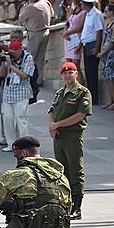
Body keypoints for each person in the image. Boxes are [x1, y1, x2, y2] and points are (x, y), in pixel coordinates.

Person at [48, 62, 92, 220]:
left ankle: (77, 207)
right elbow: (52, 110)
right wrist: (51, 126)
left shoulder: (82, 92)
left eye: (70, 73)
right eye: (64, 73)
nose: (67, 76)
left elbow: (80, 115)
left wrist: (57, 124)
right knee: (62, 171)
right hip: (59, 136)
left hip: (72, 135)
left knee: (75, 170)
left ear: (76, 74)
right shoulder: (60, 92)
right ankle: (66, 204)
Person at [0, 40, 35, 151]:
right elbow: (2, 74)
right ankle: (11, 144)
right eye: (11, 50)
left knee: (21, 119)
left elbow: (24, 75)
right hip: (8, 92)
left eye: (14, 50)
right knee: (7, 118)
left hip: (22, 93)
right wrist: (4, 63)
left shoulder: (27, 58)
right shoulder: (9, 58)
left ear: (20, 49)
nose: (12, 52)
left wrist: (11, 66)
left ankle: (24, 144)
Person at [18, 0, 52, 86]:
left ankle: (29, 79)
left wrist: (25, 7)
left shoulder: (31, 7)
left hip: (35, 33)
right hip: (46, 31)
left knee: (30, 57)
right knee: (40, 58)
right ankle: (38, 80)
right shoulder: (46, 3)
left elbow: (21, 18)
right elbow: (52, 14)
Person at [78, 0, 103, 104]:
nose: (80, 4)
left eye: (81, 3)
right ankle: (90, 95)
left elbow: (99, 31)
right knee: (88, 71)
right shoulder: (88, 14)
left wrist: (97, 48)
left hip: (92, 45)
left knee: (92, 72)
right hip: (86, 44)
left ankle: (94, 97)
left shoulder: (95, 14)